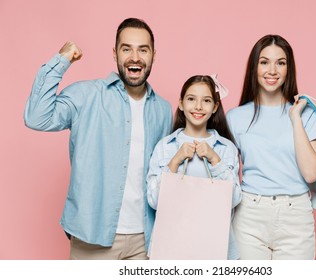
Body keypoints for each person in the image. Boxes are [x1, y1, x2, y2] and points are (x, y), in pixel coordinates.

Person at [24, 18, 173, 260]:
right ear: (115, 53)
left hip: (146, 240)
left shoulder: (163, 110)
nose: (135, 57)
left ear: (153, 55)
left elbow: (164, 174)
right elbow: (35, 117)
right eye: (127, 48)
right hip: (92, 236)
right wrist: (61, 61)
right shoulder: (86, 95)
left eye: (142, 49)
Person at [226, 34, 316, 260]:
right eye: (264, 62)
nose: (272, 70)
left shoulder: (307, 115)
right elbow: (225, 172)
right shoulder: (235, 117)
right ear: (254, 67)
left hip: (296, 216)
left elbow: (311, 172)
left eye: (280, 63)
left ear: (289, 69)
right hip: (249, 214)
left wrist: (296, 118)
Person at [146, 75, 242, 259]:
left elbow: (235, 199)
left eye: (206, 101)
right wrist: (174, 162)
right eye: (191, 99)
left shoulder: (226, 148)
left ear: (215, 107)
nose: (198, 107)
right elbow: (154, 201)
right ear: (181, 104)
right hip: (173, 247)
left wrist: (215, 160)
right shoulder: (166, 146)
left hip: (214, 246)